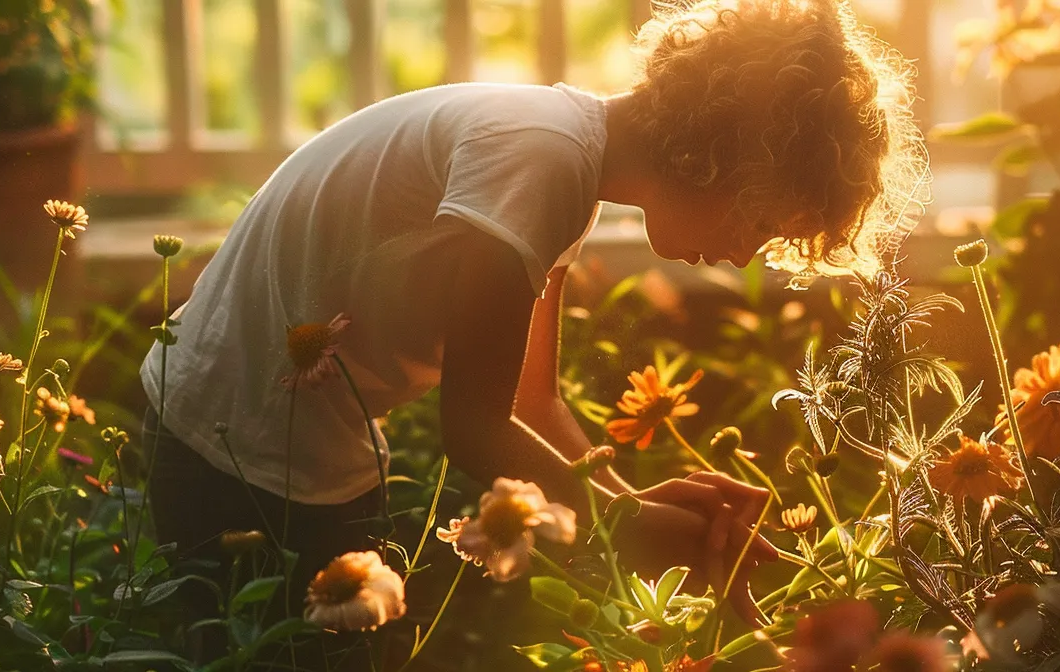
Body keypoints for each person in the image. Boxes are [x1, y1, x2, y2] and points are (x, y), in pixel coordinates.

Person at [140, 0, 923, 661]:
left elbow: (531, 403)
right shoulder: (539, 160)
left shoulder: (561, 156)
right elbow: (475, 431)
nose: (745, 252)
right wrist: (634, 529)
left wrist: (627, 499)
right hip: (234, 451)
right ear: (716, 150)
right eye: (760, 218)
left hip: (285, 441)